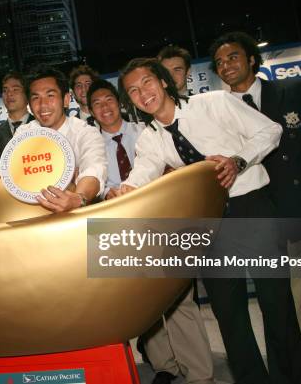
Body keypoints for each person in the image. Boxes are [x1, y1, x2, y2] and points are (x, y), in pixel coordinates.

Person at [113, 57, 301, 384]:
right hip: (207, 223)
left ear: (162, 81)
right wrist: (124, 191)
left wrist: (238, 160)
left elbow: (270, 130)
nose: (142, 93)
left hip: (251, 208)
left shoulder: (214, 103)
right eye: (132, 91)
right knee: (229, 315)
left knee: (277, 305)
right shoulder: (151, 138)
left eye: (146, 82)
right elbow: (143, 172)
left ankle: (288, 379)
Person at [210, 31, 301, 384]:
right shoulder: (218, 110)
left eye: (233, 57)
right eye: (219, 62)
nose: (226, 66)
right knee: (292, 302)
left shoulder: (293, 90)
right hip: (263, 218)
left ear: (252, 59)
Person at [89, 78, 214, 384]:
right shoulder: (90, 144)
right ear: (90, 111)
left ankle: (199, 373)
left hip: (160, 219)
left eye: (109, 100)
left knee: (177, 298)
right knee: (140, 300)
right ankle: (165, 366)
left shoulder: (146, 131)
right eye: (96, 104)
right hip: (117, 225)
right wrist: (106, 194)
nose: (104, 107)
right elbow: (91, 179)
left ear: (120, 102)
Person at [0, 65, 107, 213]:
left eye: (50, 96)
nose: (42, 105)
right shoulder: (25, 133)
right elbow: (15, 173)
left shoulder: (85, 132)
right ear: (30, 105)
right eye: (36, 98)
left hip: (78, 218)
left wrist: (78, 198)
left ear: (66, 99)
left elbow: (93, 170)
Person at [0, 71, 35, 139]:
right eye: (5, 90)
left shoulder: (42, 127)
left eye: (15, 89)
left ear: (27, 95)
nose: (9, 94)